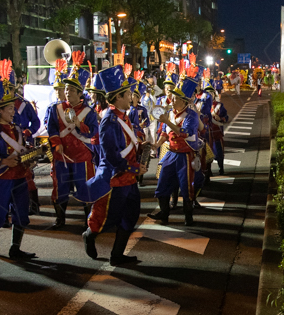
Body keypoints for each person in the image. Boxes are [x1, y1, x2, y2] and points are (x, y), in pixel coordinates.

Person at [80, 67, 143, 266]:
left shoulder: (123, 116)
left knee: (130, 215)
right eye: (128, 94)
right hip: (116, 179)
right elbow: (111, 155)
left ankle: (117, 255)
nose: (131, 96)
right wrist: (133, 168)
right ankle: (89, 235)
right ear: (118, 98)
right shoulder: (110, 120)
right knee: (108, 218)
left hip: (128, 178)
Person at [0, 64, 37, 261]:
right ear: (0, 110)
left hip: (20, 178)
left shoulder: (18, 130)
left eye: (13, 108)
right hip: (2, 179)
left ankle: (15, 248)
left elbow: (23, 150)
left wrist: (30, 157)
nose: (13, 111)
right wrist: (4, 160)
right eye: (10, 108)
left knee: (21, 214)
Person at [46, 53, 98, 230]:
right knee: (60, 189)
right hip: (62, 156)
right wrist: (56, 144)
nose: (67, 93)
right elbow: (51, 128)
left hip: (82, 157)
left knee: (85, 189)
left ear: (79, 93)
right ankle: (60, 220)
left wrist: (79, 124)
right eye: (66, 89)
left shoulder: (88, 112)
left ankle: (88, 222)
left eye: (71, 90)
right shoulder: (56, 109)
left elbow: (94, 133)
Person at [149, 77, 203, 226]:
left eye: (175, 99)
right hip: (171, 153)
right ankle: (164, 213)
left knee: (186, 187)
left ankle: (188, 216)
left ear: (184, 101)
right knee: (162, 183)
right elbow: (164, 133)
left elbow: (184, 132)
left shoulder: (191, 116)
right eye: (172, 98)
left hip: (185, 155)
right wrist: (156, 145)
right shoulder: (171, 114)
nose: (172, 101)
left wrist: (167, 121)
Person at [204, 86, 228, 176]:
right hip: (206, 134)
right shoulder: (202, 105)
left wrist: (221, 118)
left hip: (216, 133)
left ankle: (221, 168)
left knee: (219, 152)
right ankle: (208, 170)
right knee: (207, 153)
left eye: (211, 93)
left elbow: (226, 117)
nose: (210, 95)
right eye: (207, 93)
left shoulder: (219, 105)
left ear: (214, 94)